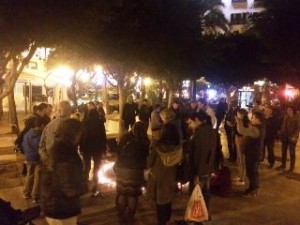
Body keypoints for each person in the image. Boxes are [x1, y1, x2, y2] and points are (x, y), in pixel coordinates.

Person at [40, 119, 84, 225]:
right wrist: (87, 186)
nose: (80, 137)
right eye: (79, 133)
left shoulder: (56, 147)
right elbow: (68, 188)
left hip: (52, 203)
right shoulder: (66, 154)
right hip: (62, 208)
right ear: (73, 134)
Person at [147, 109, 182, 225]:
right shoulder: (176, 147)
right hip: (171, 174)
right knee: (168, 198)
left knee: (159, 200)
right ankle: (167, 220)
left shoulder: (158, 148)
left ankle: (161, 221)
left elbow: (149, 162)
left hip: (158, 175)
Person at [114, 122, 150, 225]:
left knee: (121, 192)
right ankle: (130, 218)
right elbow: (145, 157)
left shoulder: (125, 137)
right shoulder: (144, 141)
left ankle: (121, 217)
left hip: (121, 168)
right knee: (132, 196)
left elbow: (118, 151)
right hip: (135, 171)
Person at [187, 111, 216, 224]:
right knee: (206, 192)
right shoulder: (211, 131)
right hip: (208, 168)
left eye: (190, 122)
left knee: (197, 195)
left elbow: (199, 154)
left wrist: (197, 173)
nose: (189, 125)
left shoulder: (199, 134)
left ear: (197, 121)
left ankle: (197, 218)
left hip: (200, 169)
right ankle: (206, 213)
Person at [237, 111, 265, 198]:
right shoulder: (257, 127)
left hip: (253, 154)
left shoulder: (256, 130)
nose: (251, 119)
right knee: (253, 173)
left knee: (252, 173)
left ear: (258, 120)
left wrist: (238, 121)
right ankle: (252, 188)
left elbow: (241, 131)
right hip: (253, 153)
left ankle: (253, 191)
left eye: (253, 118)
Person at [80, 108, 107, 197]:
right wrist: (104, 149)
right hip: (97, 148)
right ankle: (95, 186)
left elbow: (81, 136)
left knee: (86, 167)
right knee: (96, 168)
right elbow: (103, 137)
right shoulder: (100, 123)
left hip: (86, 148)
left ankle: (84, 185)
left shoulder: (84, 123)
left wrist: (81, 147)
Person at [39, 101, 72, 169]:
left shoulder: (50, 125)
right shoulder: (73, 126)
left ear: (58, 111)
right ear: (69, 111)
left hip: (52, 163)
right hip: (67, 165)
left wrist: (46, 159)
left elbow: (42, 145)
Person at [22, 117, 47, 203]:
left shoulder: (28, 133)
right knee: (37, 177)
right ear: (42, 125)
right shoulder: (40, 135)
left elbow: (23, 145)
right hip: (37, 158)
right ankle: (35, 196)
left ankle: (26, 192)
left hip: (28, 157)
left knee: (30, 174)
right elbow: (40, 148)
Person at [277, 106, 300, 172]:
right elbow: (283, 126)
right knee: (283, 152)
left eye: (290, 110)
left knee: (292, 153)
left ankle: (291, 167)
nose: (288, 111)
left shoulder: (297, 118)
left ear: (293, 110)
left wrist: (294, 136)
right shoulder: (286, 117)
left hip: (292, 138)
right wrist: (281, 134)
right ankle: (283, 164)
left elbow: (298, 128)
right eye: (287, 110)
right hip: (285, 137)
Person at [233, 108, 250, 186]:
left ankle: (242, 178)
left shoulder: (246, 123)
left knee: (242, 159)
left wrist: (237, 122)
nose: (237, 115)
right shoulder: (239, 121)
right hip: (237, 141)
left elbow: (241, 132)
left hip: (242, 141)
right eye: (237, 114)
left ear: (243, 115)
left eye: (239, 114)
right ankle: (240, 175)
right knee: (238, 159)